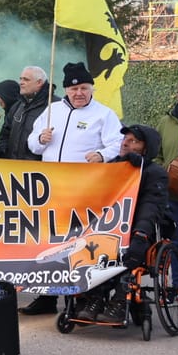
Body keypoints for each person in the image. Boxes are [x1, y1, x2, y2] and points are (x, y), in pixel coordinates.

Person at [21, 63, 124, 316]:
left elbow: (118, 143)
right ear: (66, 90)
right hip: (52, 191)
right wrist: (40, 139)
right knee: (48, 245)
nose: (79, 93)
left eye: (84, 88)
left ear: (91, 89)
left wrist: (102, 153)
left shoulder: (104, 114)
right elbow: (32, 144)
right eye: (74, 88)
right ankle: (45, 297)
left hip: (85, 192)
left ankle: (83, 298)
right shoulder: (51, 110)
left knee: (81, 245)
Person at [72, 125, 169, 323]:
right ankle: (95, 299)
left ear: (146, 148)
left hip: (138, 230)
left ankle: (119, 300)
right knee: (89, 248)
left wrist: (141, 234)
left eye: (134, 141)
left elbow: (151, 207)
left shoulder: (155, 173)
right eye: (125, 139)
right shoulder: (111, 167)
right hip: (108, 229)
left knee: (127, 251)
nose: (125, 143)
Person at [154, 79, 178, 288]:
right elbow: (155, 154)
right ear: (177, 96)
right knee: (176, 243)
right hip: (173, 194)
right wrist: (165, 171)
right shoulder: (164, 123)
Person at [0, 66, 53, 160]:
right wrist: (3, 151)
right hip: (13, 168)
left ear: (39, 82)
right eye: (21, 79)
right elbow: (5, 133)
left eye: (26, 80)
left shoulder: (54, 106)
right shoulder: (17, 106)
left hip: (39, 170)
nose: (21, 83)